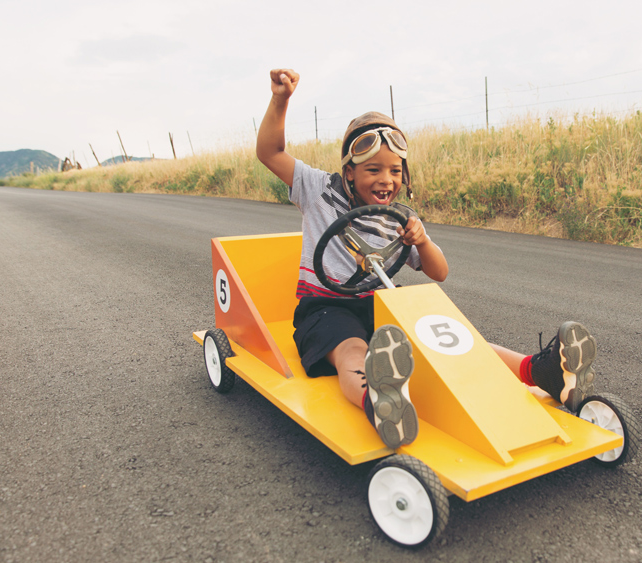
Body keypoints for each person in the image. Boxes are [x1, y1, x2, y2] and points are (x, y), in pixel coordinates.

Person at [256, 68, 598, 449]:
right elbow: (269, 152)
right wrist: (281, 99)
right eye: (373, 170)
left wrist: (421, 243)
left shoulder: (402, 218)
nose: (386, 179)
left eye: (395, 170)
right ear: (349, 172)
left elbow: (440, 272)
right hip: (325, 307)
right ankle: (380, 399)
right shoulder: (317, 189)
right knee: (352, 350)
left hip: (382, 301)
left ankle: (541, 371)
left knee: (453, 340)